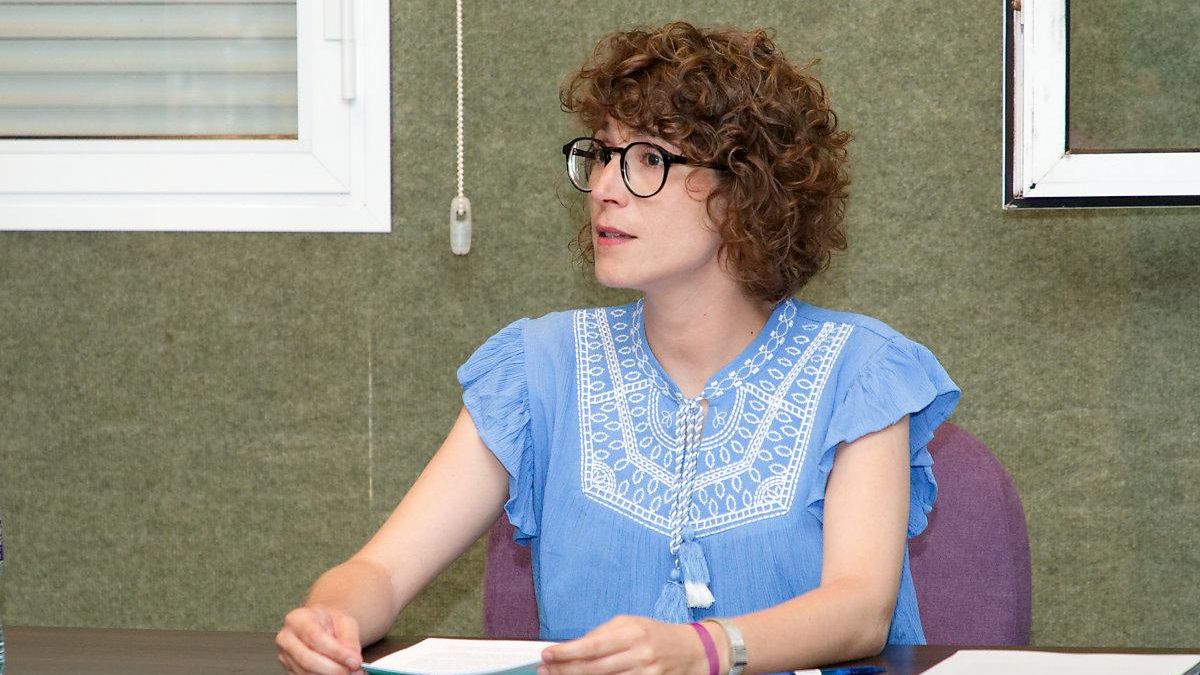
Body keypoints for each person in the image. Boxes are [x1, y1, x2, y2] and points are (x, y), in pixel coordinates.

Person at [276, 21, 959, 675]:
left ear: (746, 191)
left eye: (647, 160)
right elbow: (380, 571)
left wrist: (705, 650)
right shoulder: (538, 368)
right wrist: (330, 617)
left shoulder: (861, 370)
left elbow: (860, 608)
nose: (603, 187)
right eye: (602, 153)